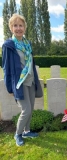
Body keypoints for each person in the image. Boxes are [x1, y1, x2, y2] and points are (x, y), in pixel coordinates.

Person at [2, 14, 43, 146]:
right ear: (11, 28)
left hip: (30, 81)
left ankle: (27, 131)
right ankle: (17, 134)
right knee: (26, 110)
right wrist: (9, 87)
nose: (18, 28)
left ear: (24, 27)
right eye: (15, 25)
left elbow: (31, 63)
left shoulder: (27, 44)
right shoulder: (8, 46)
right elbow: (6, 68)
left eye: (21, 25)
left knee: (30, 108)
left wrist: (35, 80)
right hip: (19, 83)